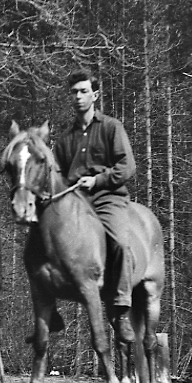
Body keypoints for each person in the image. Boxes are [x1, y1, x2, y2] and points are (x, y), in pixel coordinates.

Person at [53, 70, 136, 341]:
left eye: (83, 91)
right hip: (76, 202)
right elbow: (58, 176)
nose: (78, 96)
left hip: (107, 198)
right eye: (74, 92)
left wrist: (99, 179)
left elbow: (127, 166)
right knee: (44, 237)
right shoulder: (65, 140)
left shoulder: (112, 127)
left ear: (95, 95)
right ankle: (50, 304)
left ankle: (122, 309)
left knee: (121, 242)